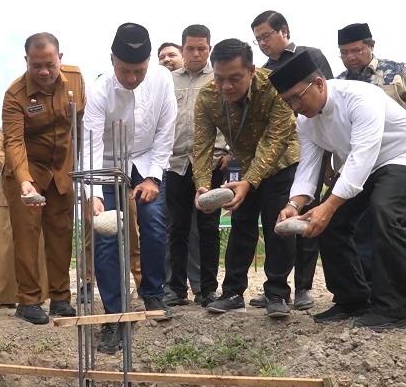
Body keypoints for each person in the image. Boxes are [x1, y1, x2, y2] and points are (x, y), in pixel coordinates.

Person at [270, 50, 406, 331]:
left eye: (298, 97)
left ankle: (392, 309)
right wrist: (293, 205)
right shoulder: (305, 121)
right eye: (288, 102)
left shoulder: (360, 97)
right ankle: (352, 299)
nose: (295, 107)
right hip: (364, 165)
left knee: (385, 213)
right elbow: (308, 168)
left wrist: (328, 207)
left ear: (319, 84)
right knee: (330, 224)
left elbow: (363, 155)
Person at [84, 22, 176, 354]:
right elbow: (91, 144)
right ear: (112, 61)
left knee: (153, 221)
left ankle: (153, 292)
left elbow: (166, 130)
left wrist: (153, 177)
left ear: (149, 63)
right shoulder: (99, 91)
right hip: (108, 163)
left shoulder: (162, 80)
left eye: (139, 71)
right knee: (107, 234)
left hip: (147, 159)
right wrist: (94, 195)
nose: (133, 78)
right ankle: (114, 315)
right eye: (125, 71)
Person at [336, 22, 406, 307]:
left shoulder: (399, 73)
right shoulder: (340, 84)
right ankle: (371, 285)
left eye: (356, 50)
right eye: (344, 52)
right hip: (364, 168)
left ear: (371, 46)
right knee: (364, 228)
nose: (350, 57)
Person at [193, 39, 299, 319]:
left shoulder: (274, 86)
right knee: (241, 224)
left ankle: (277, 292)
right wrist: (202, 185)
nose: (226, 86)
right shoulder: (207, 96)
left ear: (251, 71)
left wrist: (249, 182)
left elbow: (275, 140)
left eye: (235, 78)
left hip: (281, 161)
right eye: (219, 78)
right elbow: (202, 146)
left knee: (278, 225)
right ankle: (232, 292)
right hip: (242, 162)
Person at [249, 10, 334, 311]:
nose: (262, 43)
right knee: (280, 220)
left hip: (313, 148)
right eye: (257, 39)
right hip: (280, 156)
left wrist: (329, 159)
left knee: (308, 217)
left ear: (284, 30)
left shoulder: (310, 56)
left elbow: (330, 101)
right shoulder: (263, 72)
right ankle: (277, 287)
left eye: (266, 36)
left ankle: (304, 288)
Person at [2, 32, 84, 325]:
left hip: (62, 169)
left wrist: (79, 167)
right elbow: (14, 141)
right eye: (36, 65)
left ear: (60, 58)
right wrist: (25, 181)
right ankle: (28, 300)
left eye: (50, 64)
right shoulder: (15, 94)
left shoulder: (75, 80)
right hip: (28, 171)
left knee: (61, 233)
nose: (44, 72)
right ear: (26, 61)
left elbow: (81, 123)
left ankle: (60, 298)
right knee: (27, 236)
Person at [164, 25, 227, 308]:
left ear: (209, 49)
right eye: (190, 48)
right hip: (176, 162)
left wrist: (228, 150)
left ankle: (207, 289)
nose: (196, 53)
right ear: (182, 49)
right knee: (176, 227)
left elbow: (232, 115)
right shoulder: (168, 81)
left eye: (202, 48)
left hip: (212, 161)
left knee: (208, 227)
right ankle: (176, 288)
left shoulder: (219, 78)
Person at [0, 130, 49, 307]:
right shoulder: (8, 127)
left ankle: (36, 295)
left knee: (37, 241)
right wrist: (20, 171)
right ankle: (6, 297)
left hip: (39, 186)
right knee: (6, 244)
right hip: (10, 190)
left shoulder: (44, 126)